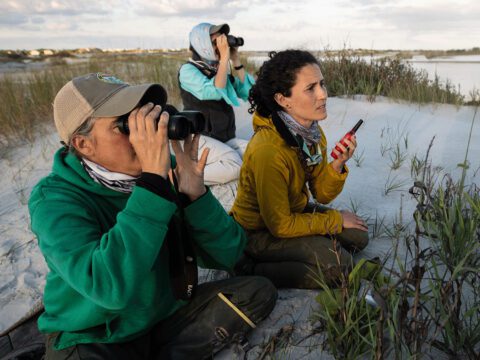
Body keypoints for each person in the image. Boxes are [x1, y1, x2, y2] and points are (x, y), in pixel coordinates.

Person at [28, 73, 277, 359]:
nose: (144, 135)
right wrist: (153, 186)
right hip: (98, 333)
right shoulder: (55, 199)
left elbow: (229, 253)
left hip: (162, 316)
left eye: (143, 119)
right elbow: (110, 288)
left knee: (256, 293)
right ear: (84, 144)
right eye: (125, 126)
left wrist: (194, 196)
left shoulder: (164, 171)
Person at [230, 50, 369, 289]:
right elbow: (280, 225)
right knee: (340, 266)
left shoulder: (312, 133)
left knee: (359, 237)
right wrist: (334, 219)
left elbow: (322, 194)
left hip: (295, 211)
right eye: (311, 88)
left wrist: (337, 165)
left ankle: (314, 250)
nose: (323, 94)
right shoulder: (268, 150)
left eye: (322, 84)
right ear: (283, 100)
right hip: (258, 232)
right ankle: (248, 267)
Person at [178, 22, 254, 185]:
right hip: (200, 138)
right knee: (234, 165)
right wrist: (224, 59)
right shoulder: (188, 71)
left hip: (224, 138)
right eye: (215, 43)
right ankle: (181, 176)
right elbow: (212, 91)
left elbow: (248, 92)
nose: (220, 46)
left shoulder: (218, 69)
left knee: (257, 153)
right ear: (201, 43)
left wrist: (236, 60)